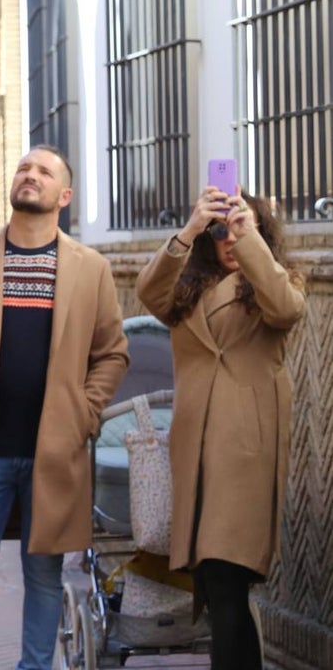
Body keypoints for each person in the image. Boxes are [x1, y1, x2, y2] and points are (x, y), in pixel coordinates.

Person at [0, 145, 129, 670]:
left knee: (44, 574)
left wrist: (84, 411)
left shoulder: (91, 269)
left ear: (64, 195)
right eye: (23, 167)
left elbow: (112, 354)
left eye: (43, 171)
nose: (29, 175)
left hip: (55, 455)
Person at [136, 187, 304, 670]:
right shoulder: (187, 290)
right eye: (219, 229)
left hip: (245, 454)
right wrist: (189, 229)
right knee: (214, 589)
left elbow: (287, 309)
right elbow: (149, 293)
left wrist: (248, 237)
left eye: (239, 227)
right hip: (194, 455)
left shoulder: (276, 279)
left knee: (226, 581)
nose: (228, 237)